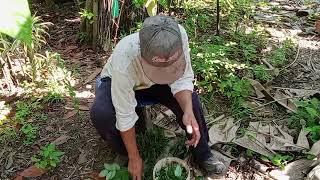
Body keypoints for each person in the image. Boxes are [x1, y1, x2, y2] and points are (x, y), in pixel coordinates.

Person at [90, 15, 226, 179]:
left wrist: (188, 111)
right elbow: (124, 113)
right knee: (101, 114)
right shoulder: (124, 58)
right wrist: (135, 156)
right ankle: (126, 154)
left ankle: (203, 153)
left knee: (193, 104)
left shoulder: (178, 36)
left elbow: (182, 79)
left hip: (157, 86)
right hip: (122, 83)